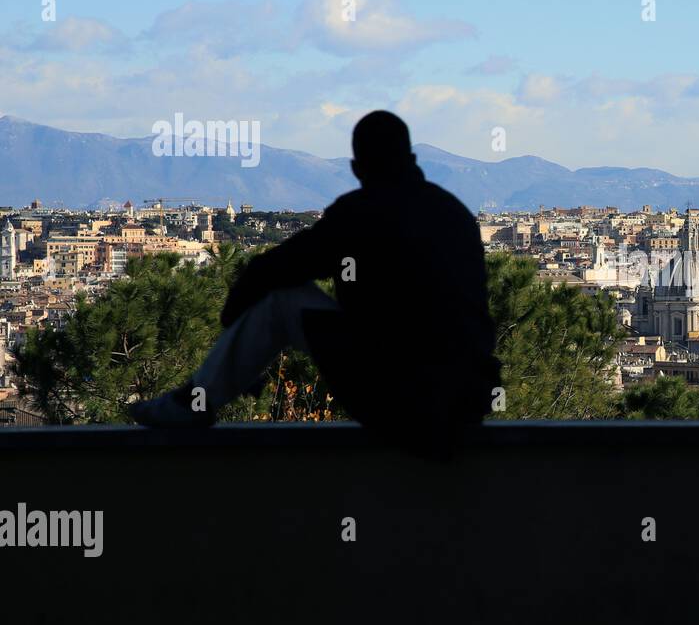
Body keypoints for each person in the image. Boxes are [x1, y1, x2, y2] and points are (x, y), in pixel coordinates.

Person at [129, 111, 500, 440]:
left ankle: (194, 403)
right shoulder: (455, 214)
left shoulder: (361, 212)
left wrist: (233, 327)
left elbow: (270, 270)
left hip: (395, 396)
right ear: (412, 159)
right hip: (465, 402)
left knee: (281, 300)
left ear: (357, 169)